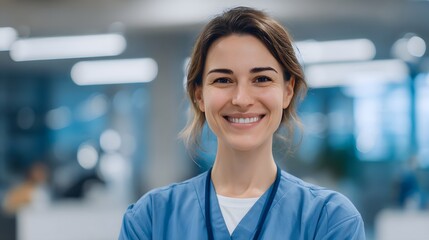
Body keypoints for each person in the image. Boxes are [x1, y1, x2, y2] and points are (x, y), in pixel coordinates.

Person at [119, 6, 365, 239]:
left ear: (287, 91)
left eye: (261, 79)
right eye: (223, 80)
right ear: (199, 95)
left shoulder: (329, 220)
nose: (241, 99)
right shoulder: (151, 219)